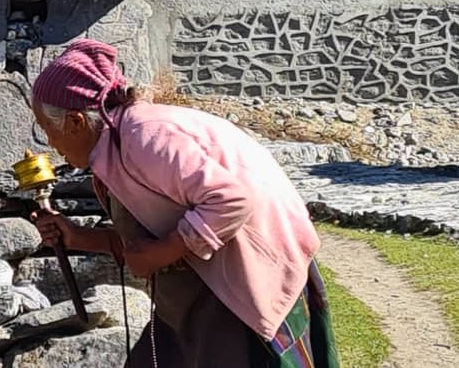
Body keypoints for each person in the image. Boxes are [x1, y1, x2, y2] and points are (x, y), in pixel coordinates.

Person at [30, 39, 340, 368]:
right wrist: (76, 237)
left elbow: (231, 200)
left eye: (47, 128)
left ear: (76, 122)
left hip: (237, 289)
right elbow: (146, 239)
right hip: (196, 293)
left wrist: (162, 252)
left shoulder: (144, 136)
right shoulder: (115, 147)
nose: (49, 142)